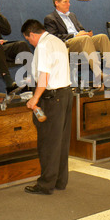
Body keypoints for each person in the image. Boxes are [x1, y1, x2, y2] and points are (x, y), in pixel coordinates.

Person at [21, 19, 73, 195]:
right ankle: (60, 180)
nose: (30, 42)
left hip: (52, 98)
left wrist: (35, 98)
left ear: (33, 34)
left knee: (48, 143)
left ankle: (46, 184)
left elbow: (45, 74)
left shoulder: (42, 46)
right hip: (66, 94)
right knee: (62, 141)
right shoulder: (57, 41)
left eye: (29, 39)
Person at [44, 0, 110, 83]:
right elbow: (54, 37)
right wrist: (76, 35)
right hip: (67, 44)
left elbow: (80, 29)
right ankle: (97, 72)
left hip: (82, 40)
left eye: (68, 2)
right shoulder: (50, 18)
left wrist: (86, 33)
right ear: (57, 3)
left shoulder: (72, 15)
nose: (69, 4)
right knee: (85, 39)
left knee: (102, 37)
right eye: (65, 2)